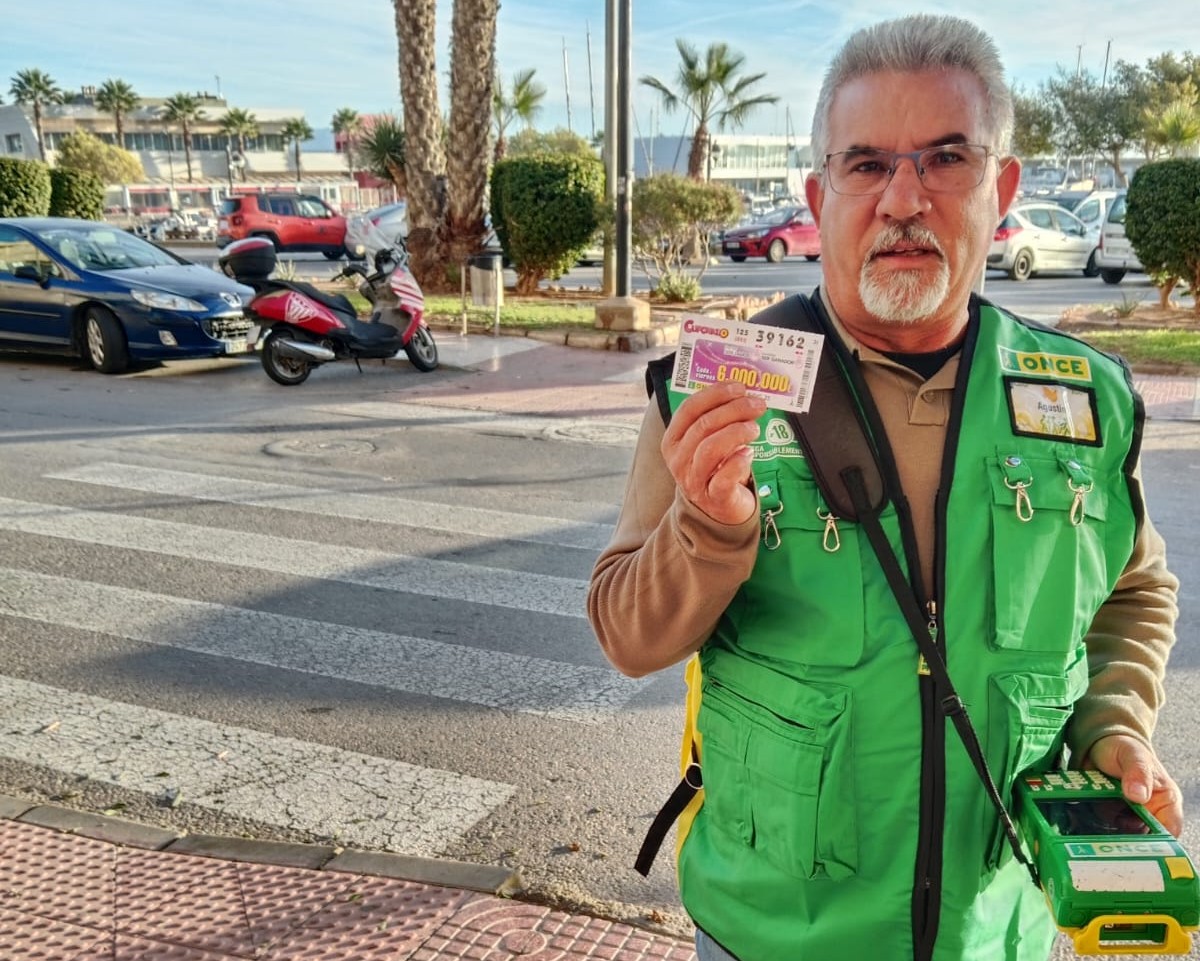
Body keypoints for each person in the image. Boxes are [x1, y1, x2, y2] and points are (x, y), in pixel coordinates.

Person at [587, 14, 1182, 961]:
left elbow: (1132, 590)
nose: (903, 197)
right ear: (819, 195)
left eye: (946, 158)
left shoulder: (1089, 398)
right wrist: (708, 527)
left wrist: (1113, 725)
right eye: (866, 165)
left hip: (1002, 926)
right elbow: (626, 633)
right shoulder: (714, 387)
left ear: (1003, 187)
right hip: (773, 934)